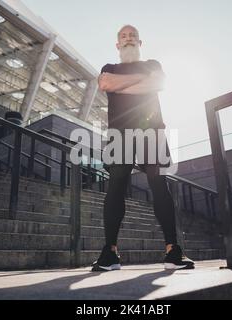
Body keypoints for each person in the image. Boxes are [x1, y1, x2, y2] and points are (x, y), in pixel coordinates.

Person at [91, 25, 194, 271]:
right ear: (117, 45)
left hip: (152, 129)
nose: (128, 39)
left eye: (133, 36)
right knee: (115, 185)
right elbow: (106, 83)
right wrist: (142, 81)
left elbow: (158, 83)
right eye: (123, 37)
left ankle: (172, 251)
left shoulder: (153, 63)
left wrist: (124, 85)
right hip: (120, 132)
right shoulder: (110, 68)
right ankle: (110, 253)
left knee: (159, 184)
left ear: (140, 42)